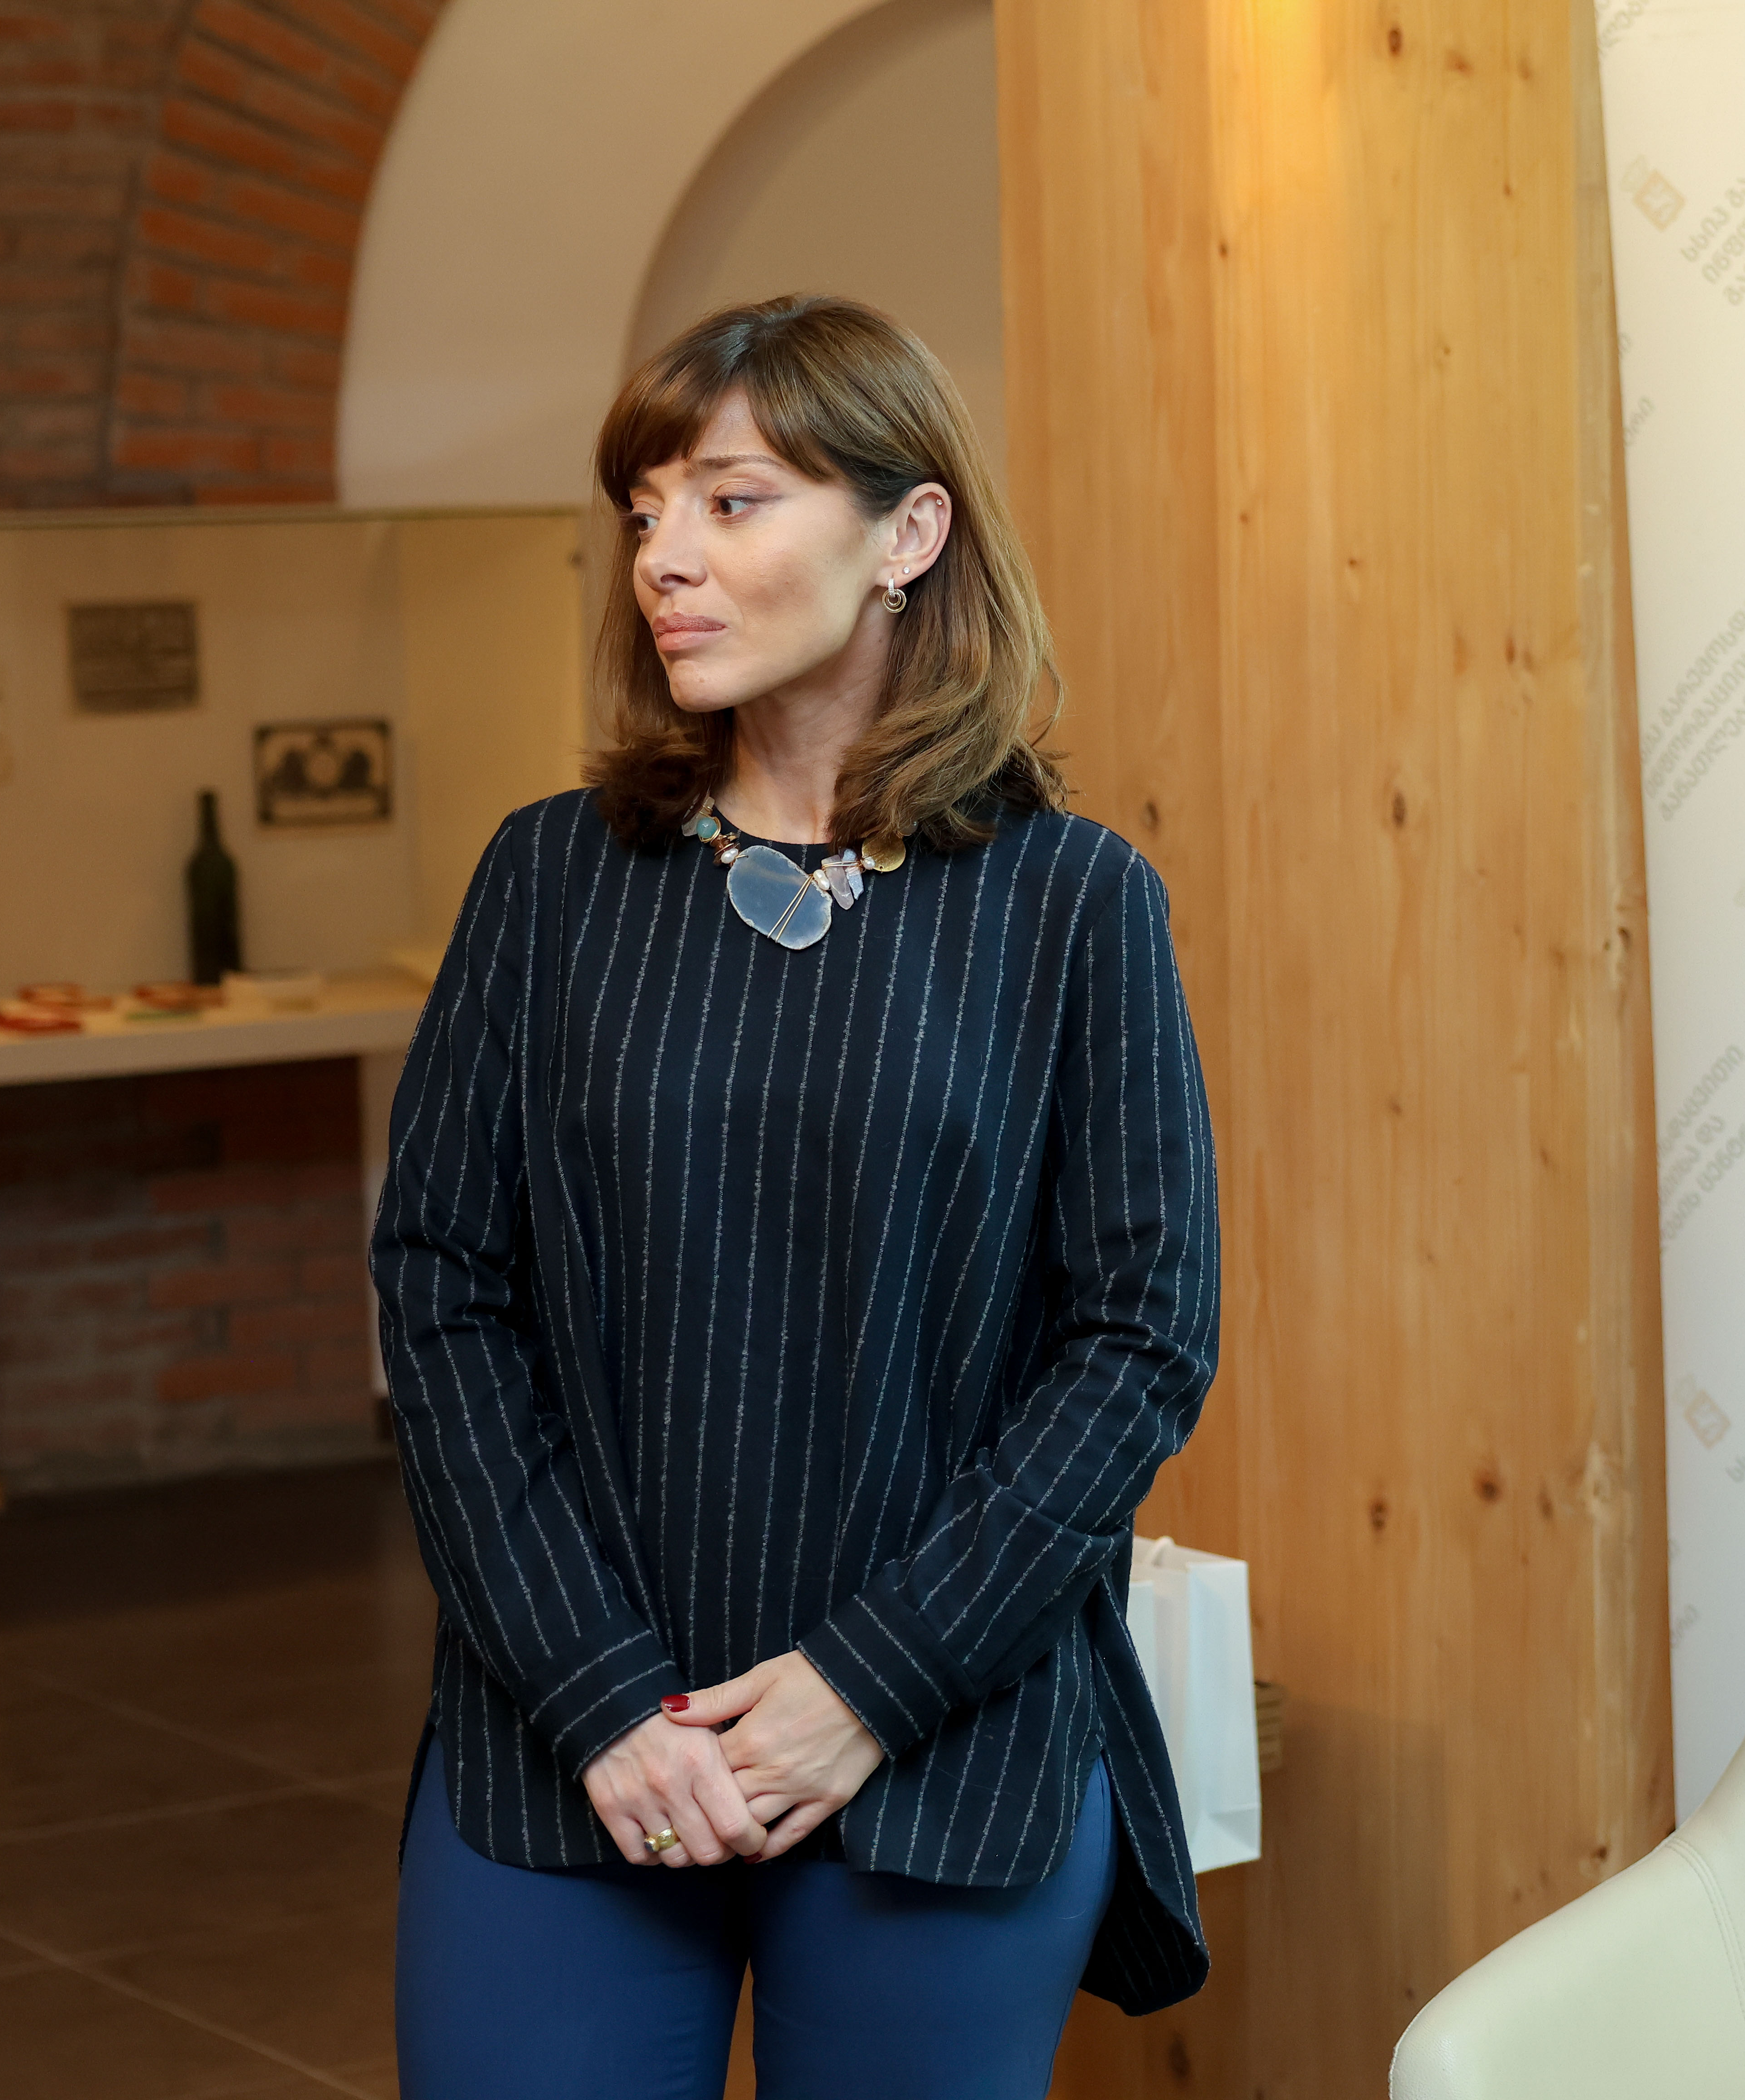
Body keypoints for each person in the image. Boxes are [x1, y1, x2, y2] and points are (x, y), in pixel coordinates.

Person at [372, 295, 1219, 2098]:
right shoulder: (548, 880)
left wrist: (867, 1686)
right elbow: (442, 1289)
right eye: (646, 509)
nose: (663, 556)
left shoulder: (1076, 902)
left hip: (943, 1733)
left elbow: (1141, 1340)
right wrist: (598, 1691)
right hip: (569, 1730)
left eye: (731, 501)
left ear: (908, 534)